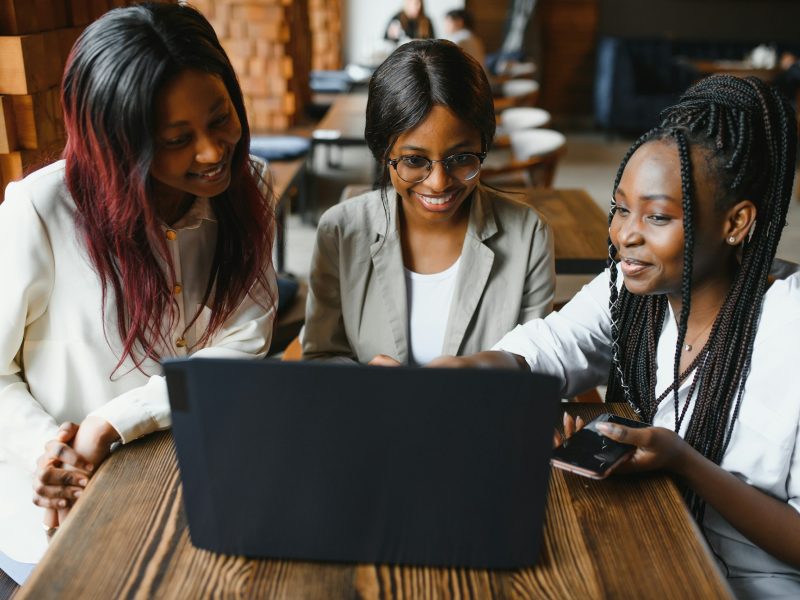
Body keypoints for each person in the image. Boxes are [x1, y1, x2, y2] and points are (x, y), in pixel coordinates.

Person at [429, 74, 800, 597]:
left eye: (657, 216)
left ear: (736, 222)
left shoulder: (791, 329)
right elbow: (548, 347)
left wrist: (684, 460)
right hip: (651, 553)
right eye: (622, 208)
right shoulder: (633, 290)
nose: (626, 234)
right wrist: (464, 371)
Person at [0, 3, 277, 584]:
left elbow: (245, 340)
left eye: (221, 117)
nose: (211, 151)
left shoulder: (248, 188)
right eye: (177, 139)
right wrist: (52, 451)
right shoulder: (41, 212)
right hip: (57, 516)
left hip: (191, 485)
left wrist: (111, 423)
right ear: (119, 145)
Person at [302, 40, 555, 366]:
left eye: (461, 158)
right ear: (384, 154)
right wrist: (361, 381)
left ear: (484, 145)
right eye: (414, 160)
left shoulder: (528, 236)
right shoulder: (340, 231)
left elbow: (536, 363)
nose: (438, 182)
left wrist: (482, 370)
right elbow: (320, 356)